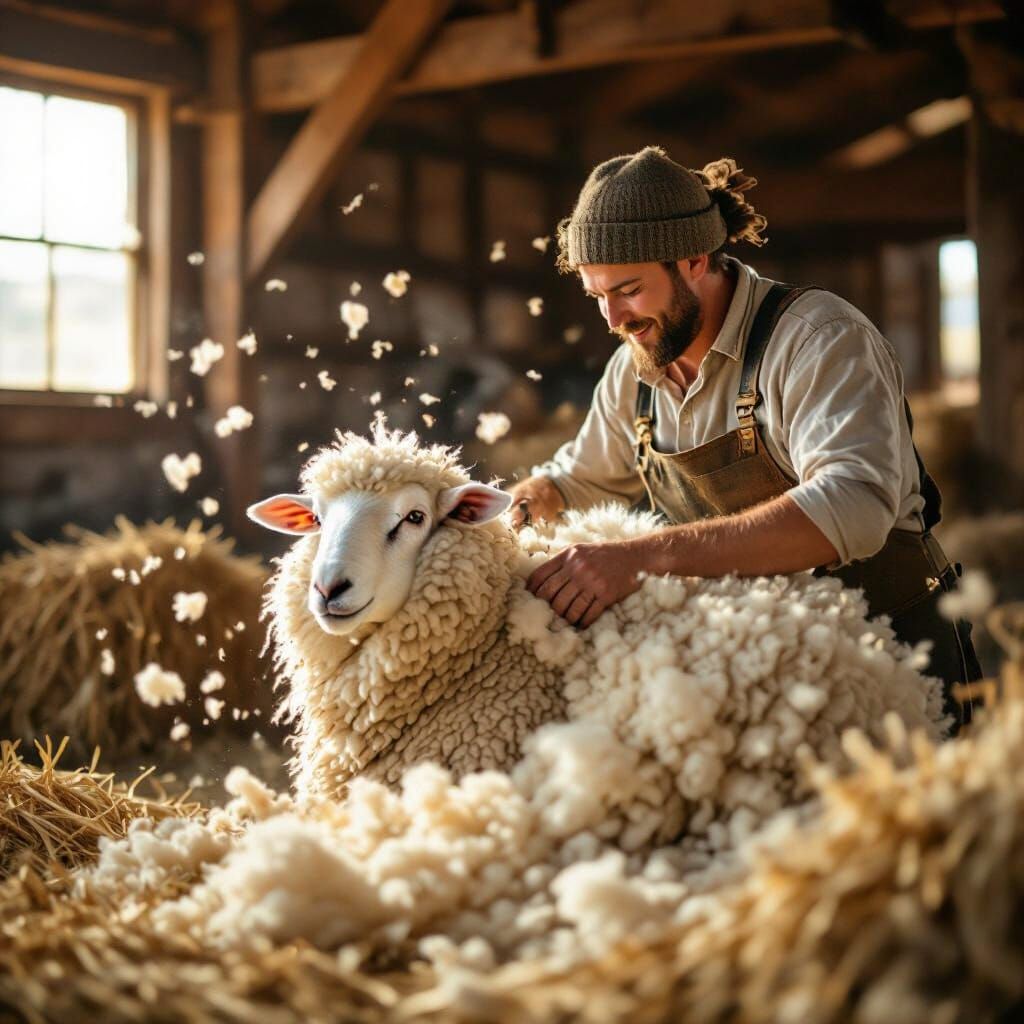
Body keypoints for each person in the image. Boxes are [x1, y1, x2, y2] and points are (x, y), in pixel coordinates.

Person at [509, 146, 981, 726]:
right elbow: (575, 478)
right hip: (758, 679)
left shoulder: (817, 339)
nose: (612, 319)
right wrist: (532, 498)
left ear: (694, 260)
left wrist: (642, 557)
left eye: (628, 289)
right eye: (597, 295)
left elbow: (854, 504)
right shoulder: (633, 371)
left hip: (885, 663)